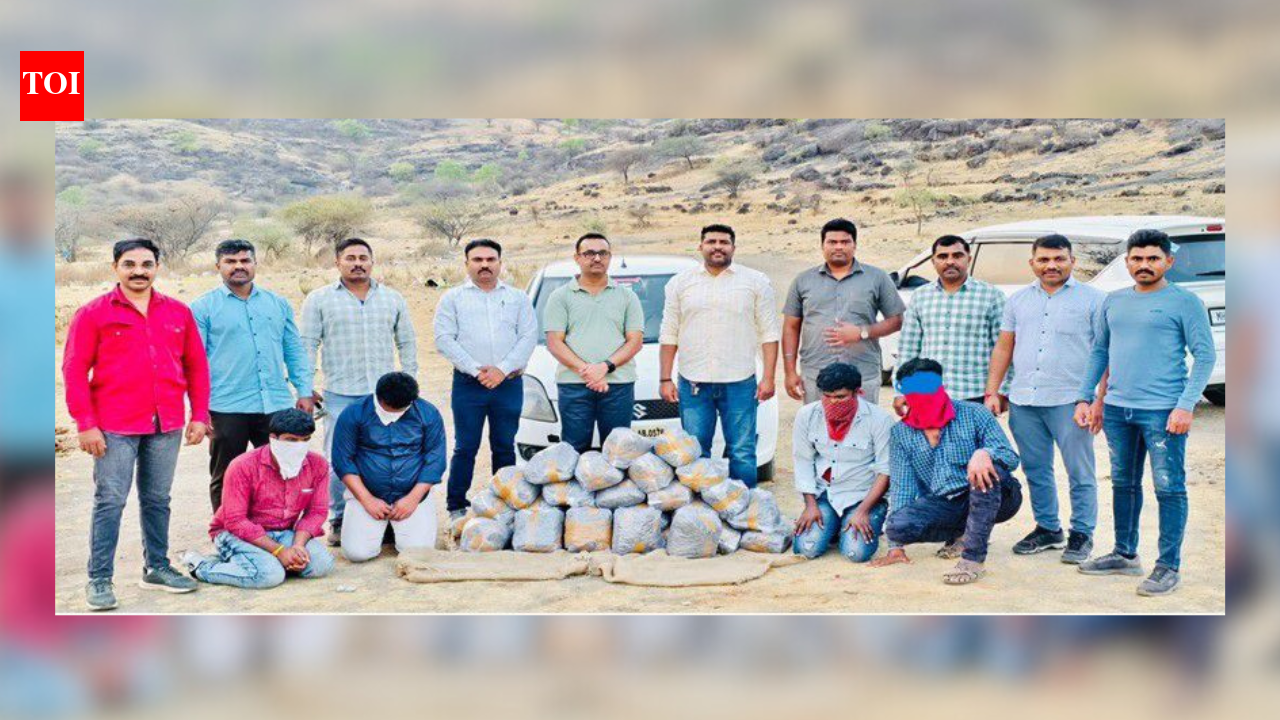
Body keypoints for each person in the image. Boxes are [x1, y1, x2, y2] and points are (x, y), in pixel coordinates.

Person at [62, 238, 208, 610]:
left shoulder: (177, 311)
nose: (138, 271)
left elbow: (196, 366)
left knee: (158, 499)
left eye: (146, 264)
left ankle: (156, 567)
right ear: (115, 268)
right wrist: (86, 424)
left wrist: (199, 415)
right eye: (129, 264)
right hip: (114, 425)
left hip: (166, 422)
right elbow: (74, 371)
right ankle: (99, 579)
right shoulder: (93, 313)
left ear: (157, 267)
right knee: (110, 501)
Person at [1074, 229, 1217, 596]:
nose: (1144, 265)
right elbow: (1101, 352)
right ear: (1127, 262)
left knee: (1169, 488)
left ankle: (1168, 566)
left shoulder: (1185, 302)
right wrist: (1089, 398)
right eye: (1137, 258)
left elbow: (1205, 356)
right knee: (1123, 483)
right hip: (1118, 410)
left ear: (1168, 261)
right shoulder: (1114, 301)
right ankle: (1124, 553)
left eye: (1153, 258)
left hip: (1163, 412)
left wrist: (1185, 405)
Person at [984, 234, 1105, 564]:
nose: (1052, 265)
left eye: (1059, 259)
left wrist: (1098, 400)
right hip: (1025, 400)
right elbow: (1004, 347)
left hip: (1072, 401)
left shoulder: (1095, 301)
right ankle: (1048, 528)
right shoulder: (1018, 301)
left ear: (1072, 261)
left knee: (1080, 471)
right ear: (1032, 263)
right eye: (1044, 260)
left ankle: (1082, 533)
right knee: (1036, 469)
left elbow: (1105, 352)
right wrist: (993, 391)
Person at [300, 238, 418, 543]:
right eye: (350, 258)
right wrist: (304, 387)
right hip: (339, 393)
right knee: (339, 459)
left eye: (363, 258)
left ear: (372, 262)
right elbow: (307, 344)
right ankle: (338, 519)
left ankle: (386, 518)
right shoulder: (320, 299)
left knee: (386, 456)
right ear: (337, 262)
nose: (357, 263)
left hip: (385, 397)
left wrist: (409, 383)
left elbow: (406, 342)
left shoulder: (392, 298)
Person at [870, 358, 1023, 585]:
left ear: (941, 385)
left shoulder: (975, 413)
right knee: (897, 527)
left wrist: (985, 453)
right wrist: (895, 548)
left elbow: (1010, 457)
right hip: (946, 502)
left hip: (997, 496)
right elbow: (903, 487)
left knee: (987, 472)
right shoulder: (901, 433)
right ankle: (962, 532)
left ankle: (972, 559)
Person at [191, 239, 314, 513]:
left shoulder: (277, 304)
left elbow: (293, 350)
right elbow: (195, 362)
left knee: (282, 471)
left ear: (255, 264)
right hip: (226, 406)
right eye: (230, 262)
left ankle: (277, 527)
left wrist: (304, 391)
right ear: (218, 266)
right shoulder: (202, 308)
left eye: (245, 260)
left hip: (275, 404)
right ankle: (225, 529)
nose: (239, 266)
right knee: (227, 474)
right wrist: (198, 409)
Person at [658, 224, 780, 486]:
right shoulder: (680, 283)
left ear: (733, 247)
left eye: (724, 242)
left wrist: (769, 377)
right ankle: (702, 506)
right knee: (696, 451)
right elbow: (669, 333)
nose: (717, 247)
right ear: (700, 246)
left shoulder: (755, 281)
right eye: (711, 241)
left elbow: (769, 333)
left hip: (740, 381)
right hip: (694, 381)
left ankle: (745, 505)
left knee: (742, 451)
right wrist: (665, 378)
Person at [434, 239, 538, 521]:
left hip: (508, 383)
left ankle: (503, 504)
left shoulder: (517, 298)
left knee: (504, 444)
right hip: (469, 384)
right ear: (467, 264)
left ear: (500, 263)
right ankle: (456, 506)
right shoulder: (453, 298)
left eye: (491, 260)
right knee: (465, 446)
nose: (484, 265)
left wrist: (501, 370)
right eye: (477, 260)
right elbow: (444, 339)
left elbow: (528, 336)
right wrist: (476, 371)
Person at [180, 409, 334, 588]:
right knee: (269, 576)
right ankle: (201, 565)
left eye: (305, 440)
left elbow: (316, 512)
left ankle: (252, 561)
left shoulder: (317, 465)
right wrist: (279, 551)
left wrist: (298, 546)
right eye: (291, 440)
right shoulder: (243, 466)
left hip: (283, 532)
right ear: (273, 438)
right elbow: (235, 521)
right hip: (234, 534)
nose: (299, 446)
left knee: (321, 564)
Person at [783, 218, 905, 404]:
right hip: (816, 373)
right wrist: (790, 372)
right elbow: (791, 327)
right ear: (822, 245)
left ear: (854, 245)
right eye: (832, 242)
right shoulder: (803, 280)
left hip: (863, 373)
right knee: (817, 422)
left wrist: (862, 332)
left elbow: (897, 320)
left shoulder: (877, 278)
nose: (839, 247)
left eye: (845, 242)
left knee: (863, 421)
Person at [543, 233, 645, 452]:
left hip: (618, 384)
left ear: (610, 257)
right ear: (577, 258)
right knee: (573, 450)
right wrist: (590, 373)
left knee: (618, 450)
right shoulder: (560, 296)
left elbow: (635, 341)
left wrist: (604, 367)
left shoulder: (627, 297)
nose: (597, 258)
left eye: (603, 253)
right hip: (573, 385)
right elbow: (554, 342)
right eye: (589, 253)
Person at [333, 372, 446, 562]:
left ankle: (393, 528)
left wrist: (413, 499)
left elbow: (435, 460)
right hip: (366, 493)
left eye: (402, 409)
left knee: (418, 553)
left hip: (412, 494)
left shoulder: (428, 413)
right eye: (390, 409)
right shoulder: (354, 413)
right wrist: (367, 499)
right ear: (378, 397)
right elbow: (342, 460)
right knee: (357, 553)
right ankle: (383, 527)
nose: (395, 414)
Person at [791, 363, 894, 562]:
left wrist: (863, 511)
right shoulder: (807, 415)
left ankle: (861, 520)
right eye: (827, 396)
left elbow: (885, 470)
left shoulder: (879, 419)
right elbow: (803, 460)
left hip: (863, 496)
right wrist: (810, 505)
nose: (832, 402)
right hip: (825, 495)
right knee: (805, 549)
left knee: (856, 553)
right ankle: (834, 524)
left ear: (857, 392)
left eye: (840, 397)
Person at [894, 235, 1005, 416]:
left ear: (969, 259)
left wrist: (1000, 392)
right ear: (933, 261)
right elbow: (908, 348)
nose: (950, 261)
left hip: (975, 395)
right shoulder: (921, 296)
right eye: (943, 256)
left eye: (957, 256)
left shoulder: (991, 296)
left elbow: (1003, 349)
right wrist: (901, 390)